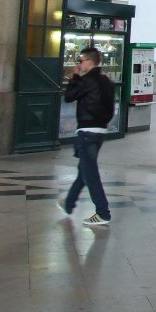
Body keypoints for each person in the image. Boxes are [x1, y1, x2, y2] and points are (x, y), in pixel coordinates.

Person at [57, 47, 115, 226]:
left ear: (89, 62)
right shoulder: (107, 81)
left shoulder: (87, 80)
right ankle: (69, 202)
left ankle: (102, 212)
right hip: (100, 129)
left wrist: (74, 78)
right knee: (84, 169)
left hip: (88, 130)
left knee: (90, 173)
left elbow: (69, 97)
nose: (79, 64)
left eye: (80, 61)